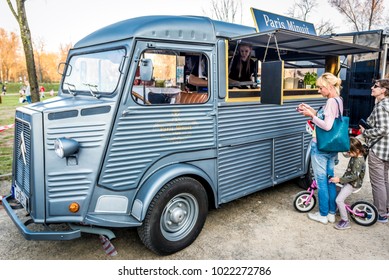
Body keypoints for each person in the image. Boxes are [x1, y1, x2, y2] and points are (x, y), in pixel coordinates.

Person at [297, 72, 344, 224]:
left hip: (320, 146)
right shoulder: (338, 100)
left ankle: (322, 215)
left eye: (320, 88)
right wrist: (312, 111)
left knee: (321, 181)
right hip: (331, 147)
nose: (319, 91)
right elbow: (327, 117)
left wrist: (311, 117)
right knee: (330, 179)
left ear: (330, 87)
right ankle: (330, 212)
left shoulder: (331, 101)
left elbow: (326, 125)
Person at [360, 79, 389, 223]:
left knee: (378, 182)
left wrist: (365, 133)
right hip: (387, 149)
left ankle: (381, 213)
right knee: (384, 180)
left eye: (376, 86)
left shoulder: (381, 106)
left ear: (384, 90)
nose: (372, 88)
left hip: (378, 149)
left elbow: (383, 129)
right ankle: (386, 208)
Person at [329, 137, 367, 230]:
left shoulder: (358, 161)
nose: (348, 154)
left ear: (357, 150)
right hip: (349, 181)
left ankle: (345, 221)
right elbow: (346, 154)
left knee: (339, 200)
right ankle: (339, 209)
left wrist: (340, 179)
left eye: (350, 152)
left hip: (353, 184)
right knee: (336, 189)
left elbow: (354, 176)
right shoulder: (356, 155)